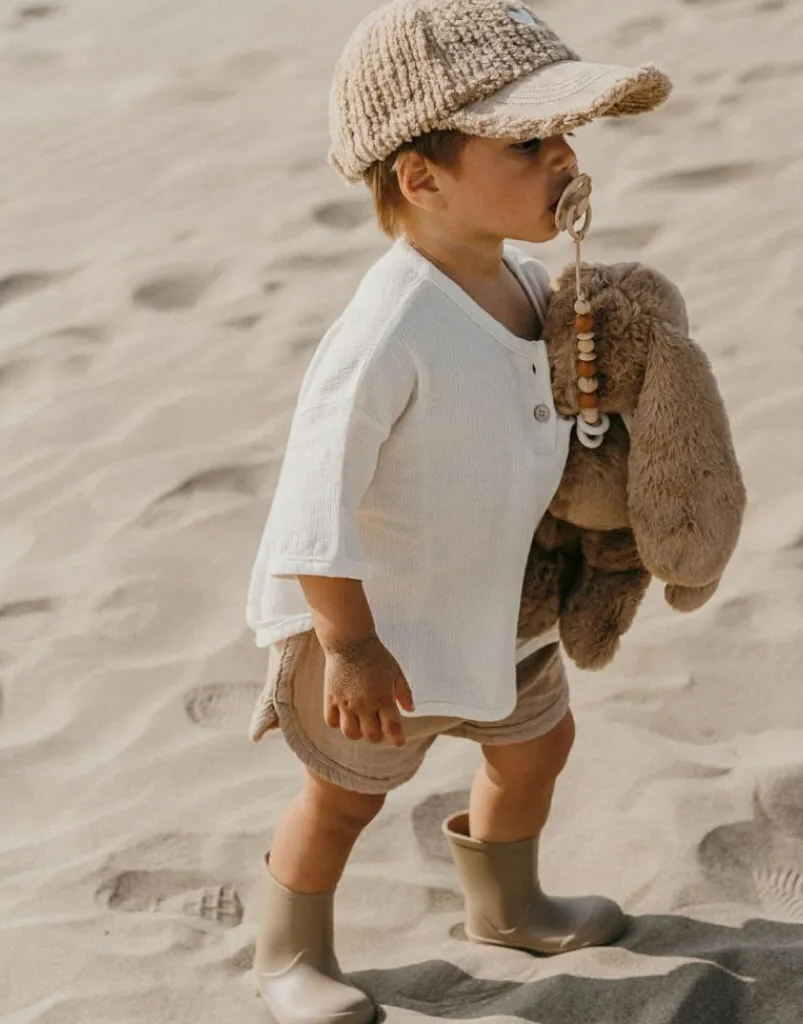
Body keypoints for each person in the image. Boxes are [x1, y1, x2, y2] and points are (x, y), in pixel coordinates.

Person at [244, 1, 671, 1021]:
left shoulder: (525, 282)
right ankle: (285, 951)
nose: (561, 155)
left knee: (536, 746)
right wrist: (345, 643)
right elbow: (312, 499)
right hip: (381, 629)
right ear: (421, 178)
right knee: (344, 797)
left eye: (564, 133)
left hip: (502, 604)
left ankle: (506, 900)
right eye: (526, 142)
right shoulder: (390, 324)